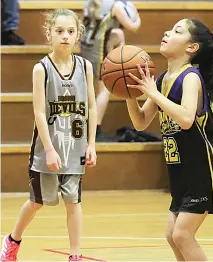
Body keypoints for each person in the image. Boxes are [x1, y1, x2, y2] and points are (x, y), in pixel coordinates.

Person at [125, 19, 213, 260]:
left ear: (191, 48)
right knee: (172, 235)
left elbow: (187, 118)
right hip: (182, 169)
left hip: (207, 166)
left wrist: (153, 93)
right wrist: (128, 94)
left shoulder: (190, 77)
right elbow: (140, 122)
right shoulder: (162, 79)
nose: (167, 32)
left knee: (182, 235)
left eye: (177, 31)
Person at [0, 9, 97, 262]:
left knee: (73, 202)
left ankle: (75, 254)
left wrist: (92, 144)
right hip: (47, 150)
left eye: (71, 31)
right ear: (49, 34)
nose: (65, 36)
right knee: (37, 202)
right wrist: (50, 149)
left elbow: (92, 107)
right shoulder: (41, 68)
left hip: (75, 149)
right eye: (59, 31)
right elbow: (39, 113)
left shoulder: (85, 66)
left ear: (78, 35)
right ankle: (12, 240)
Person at [80, 0, 141, 141]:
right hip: (99, 49)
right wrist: (136, 15)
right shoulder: (116, 6)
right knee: (105, 90)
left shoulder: (89, 2)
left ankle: (88, 126)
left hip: (86, 46)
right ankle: (94, 129)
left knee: (119, 34)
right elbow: (133, 27)